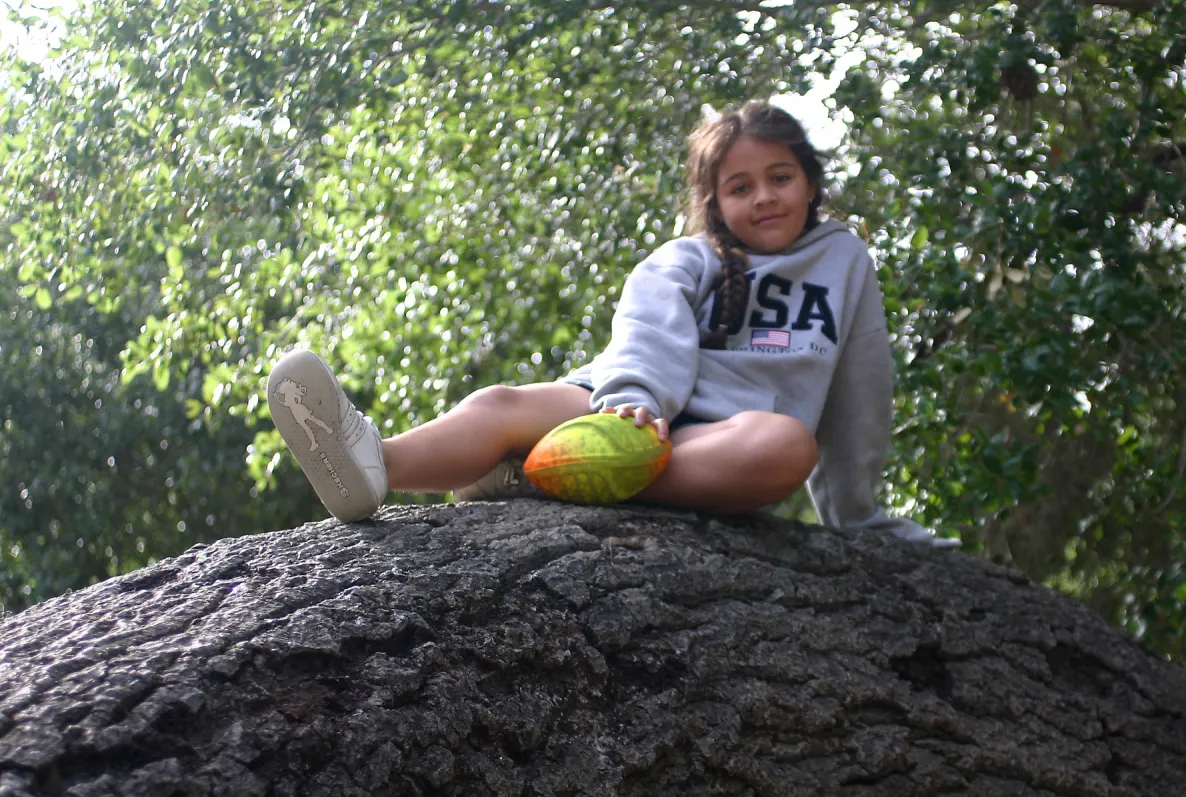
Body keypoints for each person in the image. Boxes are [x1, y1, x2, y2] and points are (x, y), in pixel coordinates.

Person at [267, 100, 958, 547]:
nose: (764, 197)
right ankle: (373, 461)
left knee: (785, 445)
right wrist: (637, 395)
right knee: (503, 404)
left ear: (810, 180)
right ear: (715, 203)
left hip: (719, 441)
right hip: (625, 404)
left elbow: (861, 386)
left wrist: (856, 514)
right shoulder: (694, 256)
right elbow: (648, 318)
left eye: (780, 177)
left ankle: (534, 478)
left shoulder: (842, 259)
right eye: (739, 187)